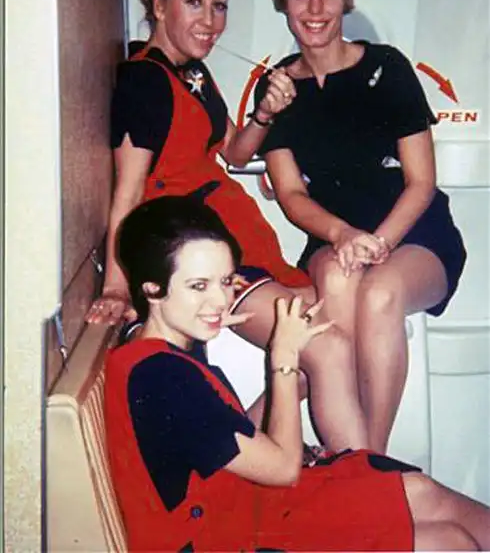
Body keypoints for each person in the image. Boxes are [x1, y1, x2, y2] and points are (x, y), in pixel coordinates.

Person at [86, 0, 371, 451]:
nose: (211, 21)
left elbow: (235, 153)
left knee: (341, 328)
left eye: (218, 6)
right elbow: (127, 193)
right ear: (158, 4)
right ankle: (364, 477)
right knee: (326, 347)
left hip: (239, 243)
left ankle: (248, 455)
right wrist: (117, 286)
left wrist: (265, 112)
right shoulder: (144, 82)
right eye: (194, 3)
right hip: (204, 259)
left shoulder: (192, 75)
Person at [105, 194, 489, 552]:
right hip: (228, 538)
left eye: (225, 281)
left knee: (419, 491)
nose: (220, 300)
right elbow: (283, 469)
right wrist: (284, 360)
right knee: (447, 542)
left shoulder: (161, 346)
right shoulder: (161, 377)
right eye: (198, 286)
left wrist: (290, 384)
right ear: (151, 289)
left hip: (245, 508)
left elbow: (222, 440)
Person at [255, 0, 467, 453]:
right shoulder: (279, 87)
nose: (315, 8)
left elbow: (422, 182)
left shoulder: (386, 67)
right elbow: (290, 194)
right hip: (334, 237)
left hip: (413, 232)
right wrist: (344, 235)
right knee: (339, 280)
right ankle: (357, 464)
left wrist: (379, 243)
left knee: (380, 293)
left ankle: (366, 459)